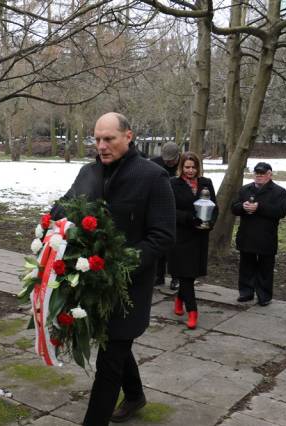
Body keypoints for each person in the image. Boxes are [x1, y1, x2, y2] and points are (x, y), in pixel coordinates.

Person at [52, 112, 176, 425]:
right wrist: (51, 222)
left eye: (109, 139)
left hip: (127, 287)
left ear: (128, 136)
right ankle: (135, 395)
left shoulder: (153, 177)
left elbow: (163, 236)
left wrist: (121, 266)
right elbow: (65, 207)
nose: (102, 146)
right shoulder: (88, 172)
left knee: (110, 361)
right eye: (97, 139)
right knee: (115, 345)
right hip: (91, 282)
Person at [168, 151, 217, 330]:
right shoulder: (173, 184)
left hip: (200, 236)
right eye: (187, 167)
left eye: (194, 167)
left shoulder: (206, 183)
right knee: (186, 275)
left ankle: (180, 298)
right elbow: (170, 209)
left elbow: (214, 207)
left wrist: (209, 223)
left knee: (190, 273)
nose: (190, 170)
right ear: (181, 167)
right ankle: (193, 312)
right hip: (181, 236)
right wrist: (190, 218)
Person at [231, 162, 286, 306]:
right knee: (246, 266)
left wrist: (259, 207)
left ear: (270, 174)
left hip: (266, 236)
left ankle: (264, 295)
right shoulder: (245, 189)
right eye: (257, 173)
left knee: (265, 268)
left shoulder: (279, 192)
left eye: (262, 174)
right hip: (247, 234)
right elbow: (234, 207)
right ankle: (246, 292)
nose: (259, 176)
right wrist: (242, 207)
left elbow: (281, 212)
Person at [151, 142, 181, 289]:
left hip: (177, 209)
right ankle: (158, 275)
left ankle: (176, 277)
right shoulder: (155, 164)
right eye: (166, 160)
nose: (168, 162)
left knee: (175, 247)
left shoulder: (184, 165)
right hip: (158, 208)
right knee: (159, 243)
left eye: (171, 160)